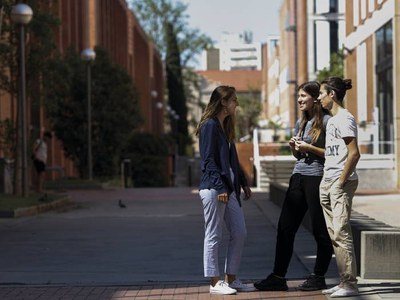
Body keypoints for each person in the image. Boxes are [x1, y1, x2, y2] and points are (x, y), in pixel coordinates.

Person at [254, 81, 333, 292]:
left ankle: (319, 275)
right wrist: (294, 149)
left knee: (320, 230)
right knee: (285, 228)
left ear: (315, 98)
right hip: (297, 177)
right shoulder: (302, 123)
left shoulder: (327, 121)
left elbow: (334, 154)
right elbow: (300, 155)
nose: (299, 100)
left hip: (317, 179)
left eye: (303, 96)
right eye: (298, 96)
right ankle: (278, 276)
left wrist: (309, 147)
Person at [195, 85, 255, 295]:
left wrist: (242, 182)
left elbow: (232, 162)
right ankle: (214, 283)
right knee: (213, 234)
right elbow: (208, 160)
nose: (236, 103)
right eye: (233, 100)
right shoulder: (209, 125)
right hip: (214, 188)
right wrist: (220, 186)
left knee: (239, 232)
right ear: (223, 102)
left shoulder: (224, 125)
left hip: (228, 188)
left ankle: (231, 278)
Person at [318, 77, 361, 298]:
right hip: (328, 181)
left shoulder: (345, 118)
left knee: (342, 232)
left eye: (321, 93)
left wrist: (341, 181)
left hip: (339, 182)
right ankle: (344, 280)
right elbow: (334, 154)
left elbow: (354, 153)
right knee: (334, 234)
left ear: (332, 95)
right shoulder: (332, 120)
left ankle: (350, 284)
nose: (319, 97)